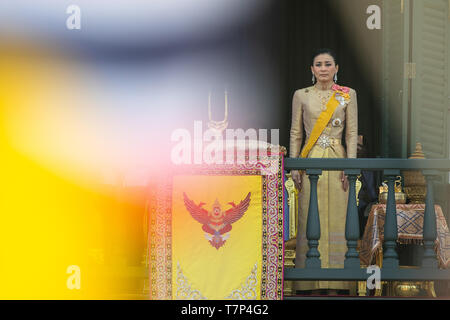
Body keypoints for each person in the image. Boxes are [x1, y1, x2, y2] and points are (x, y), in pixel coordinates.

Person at [289, 48, 358, 295]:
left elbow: (351, 134)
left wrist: (350, 166)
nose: (323, 68)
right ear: (312, 69)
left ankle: (339, 283)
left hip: (338, 161)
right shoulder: (301, 95)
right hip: (310, 160)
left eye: (328, 64)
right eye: (318, 64)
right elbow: (296, 133)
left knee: (340, 219)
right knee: (310, 216)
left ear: (336, 68)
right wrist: (295, 166)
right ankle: (308, 283)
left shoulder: (347, 94)